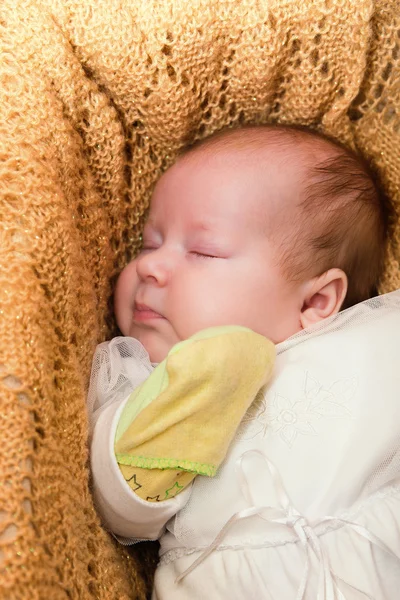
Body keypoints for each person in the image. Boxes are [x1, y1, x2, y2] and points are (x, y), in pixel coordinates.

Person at [88, 125, 400, 599]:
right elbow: (121, 507)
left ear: (316, 302)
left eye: (202, 250)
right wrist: (189, 394)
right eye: (148, 244)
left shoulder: (371, 343)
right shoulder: (144, 380)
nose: (149, 266)